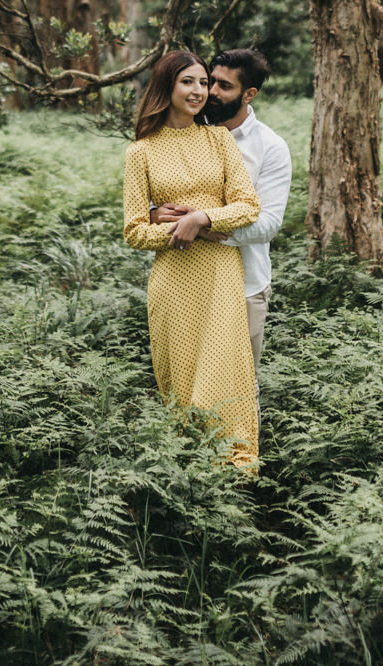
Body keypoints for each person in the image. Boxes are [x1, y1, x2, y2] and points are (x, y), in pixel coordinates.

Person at [122, 50, 263, 469]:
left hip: (219, 274)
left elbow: (247, 205)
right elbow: (133, 231)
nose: (199, 91)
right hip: (173, 280)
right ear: (167, 86)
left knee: (224, 371)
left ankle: (235, 470)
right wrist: (173, 229)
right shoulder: (140, 153)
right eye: (189, 82)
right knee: (182, 380)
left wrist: (201, 218)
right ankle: (191, 476)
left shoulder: (218, 139)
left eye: (204, 83)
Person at [151, 48, 290, 365]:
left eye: (223, 86)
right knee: (186, 383)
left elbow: (268, 224)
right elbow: (153, 194)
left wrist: (205, 224)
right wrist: (152, 213)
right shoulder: (178, 133)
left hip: (244, 287)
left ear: (249, 94)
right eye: (208, 81)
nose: (209, 92)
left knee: (237, 387)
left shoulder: (270, 147)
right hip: (183, 279)